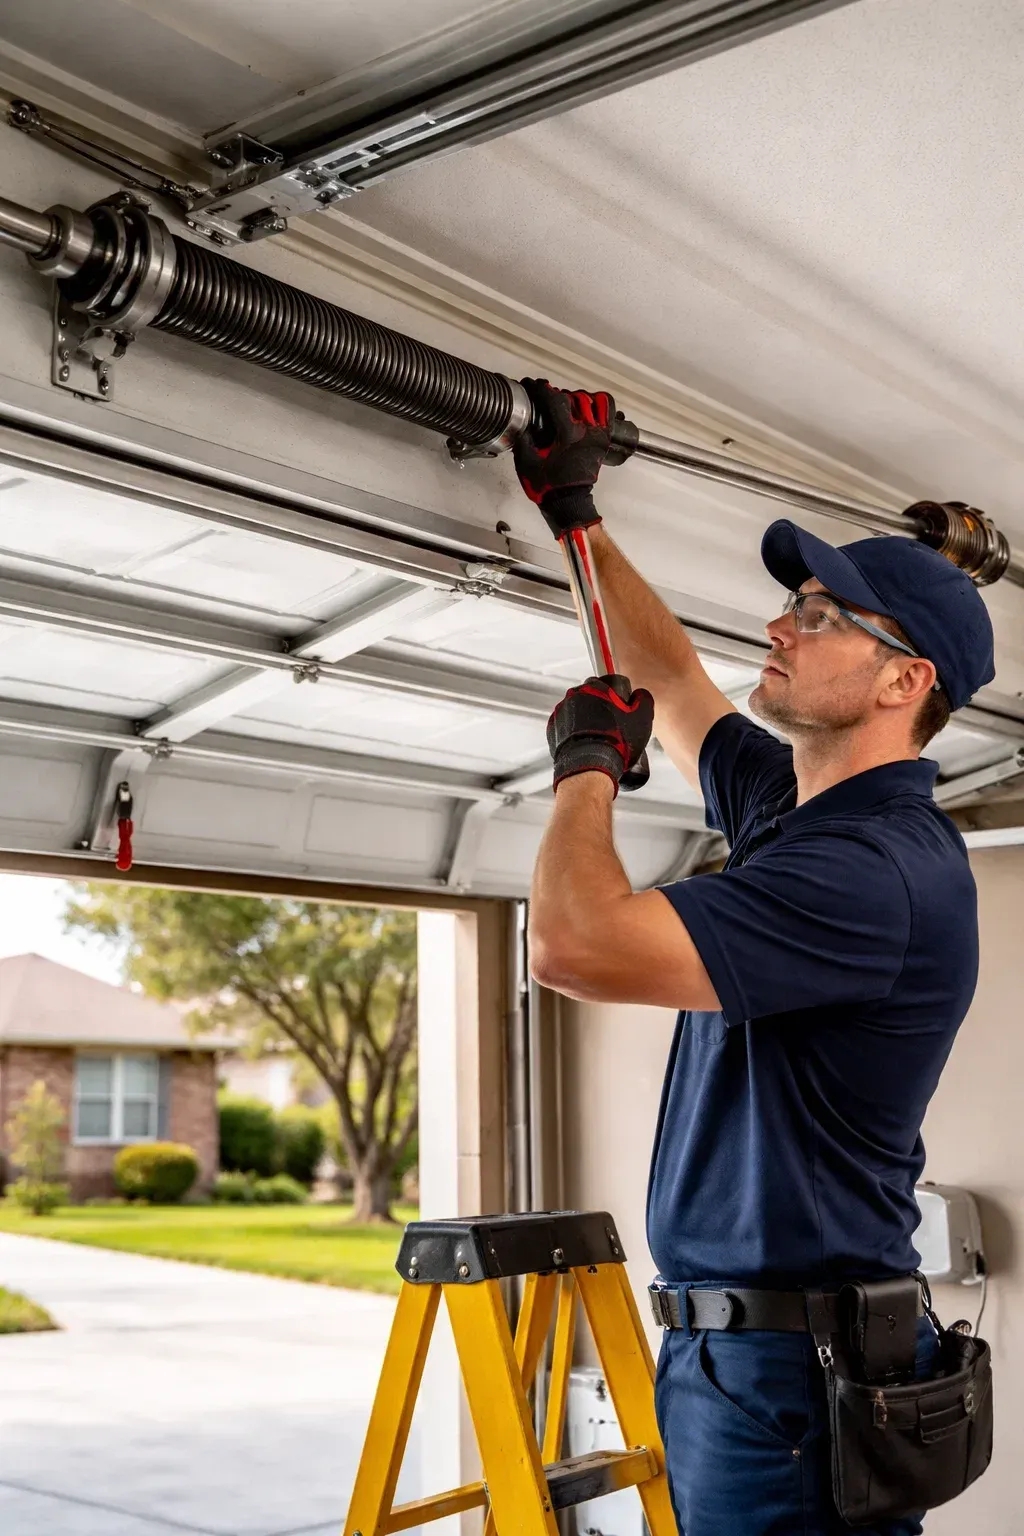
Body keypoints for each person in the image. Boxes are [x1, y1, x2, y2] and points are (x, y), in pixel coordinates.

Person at [517, 380, 996, 1536]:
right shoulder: (799, 812)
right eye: (794, 603)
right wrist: (573, 508)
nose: (781, 625)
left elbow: (571, 942)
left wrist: (586, 765)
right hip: (752, 1360)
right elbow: (674, 682)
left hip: (786, 1381)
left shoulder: (871, 871)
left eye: (822, 615)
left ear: (903, 682)